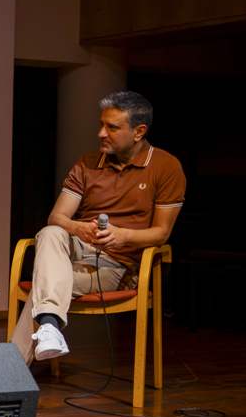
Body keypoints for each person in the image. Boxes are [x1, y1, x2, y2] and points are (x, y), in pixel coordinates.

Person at [11, 90, 185, 364]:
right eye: (102, 125)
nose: (101, 133)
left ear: (139, 131)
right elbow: (57, 217)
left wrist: (122, 235)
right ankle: (47, 331)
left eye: (112, 127)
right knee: (50, 232)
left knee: (43, 289)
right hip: (74, 252)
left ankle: (16, 366)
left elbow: (162, 233)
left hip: (116, 266)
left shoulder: (166, 166)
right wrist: (79, 229)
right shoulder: (88, 163)